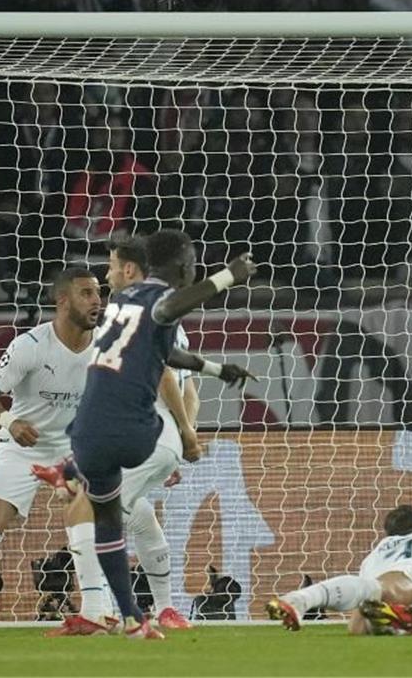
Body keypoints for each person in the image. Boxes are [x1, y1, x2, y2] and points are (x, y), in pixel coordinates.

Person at [34, 229, 257, 638]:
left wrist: (211, 376)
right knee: (123, 516)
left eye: (113, 266)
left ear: (134, 268)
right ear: (180, 267)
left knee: (95, 511)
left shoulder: (122, 306)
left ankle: (110, 608)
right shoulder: (152, 302)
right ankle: (138, 616)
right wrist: (228, 276)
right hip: (136, 430)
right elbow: (168, 330)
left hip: (98, 430)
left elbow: (170, 365)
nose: (107, 276)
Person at [0, 268, 102, 594]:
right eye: (87, 293)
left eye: (98, 293)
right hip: (23, 449)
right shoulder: (31, 345)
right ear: (62, 300)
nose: (97, 301)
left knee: (100, 530)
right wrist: (11, 421)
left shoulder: (105, 347)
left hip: (72, 453)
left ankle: (100, 608)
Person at [267, 505, 412, 636]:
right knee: (385, 590)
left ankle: (396, 626)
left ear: (388, 532)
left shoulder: (374, 555)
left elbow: (364, 611)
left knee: (359, 626)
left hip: (390, 592)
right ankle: (301, 600)